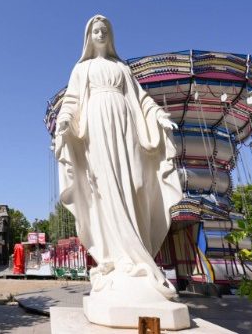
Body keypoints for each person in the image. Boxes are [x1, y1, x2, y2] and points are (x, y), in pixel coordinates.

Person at [54, 15, 183, 299]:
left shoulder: (122, 68)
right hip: (97, 128)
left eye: (104, 30)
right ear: (88, 37)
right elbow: (72, 100)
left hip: (127, 128)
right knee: (105, 189)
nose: (100, 34)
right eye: (95, 31)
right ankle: (117, 257)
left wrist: (159, 116)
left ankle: (139, 255)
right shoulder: (83, 68)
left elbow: (141, 99)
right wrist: (65, 120)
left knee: (136, 183)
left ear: (110, 36)